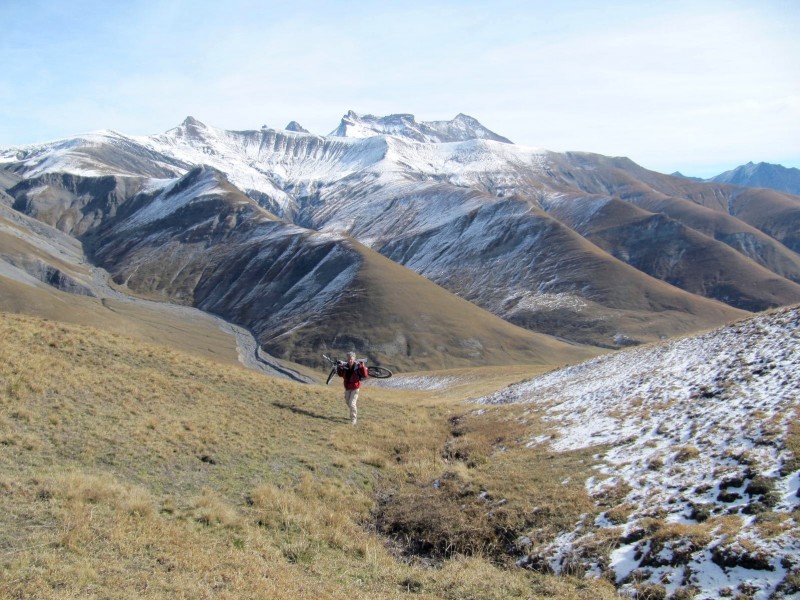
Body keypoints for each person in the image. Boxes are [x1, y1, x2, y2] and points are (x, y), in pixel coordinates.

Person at [336, 352, 368, 425]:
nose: (350, 360)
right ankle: (353, 413)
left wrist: (363, 366)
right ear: (347, 359)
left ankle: (353, 419)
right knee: (348, 402)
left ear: (354, 359)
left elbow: (365, 375)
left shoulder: (358, 366)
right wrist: (339, 367)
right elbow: (340, 374)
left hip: (355, 387)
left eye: (351, 359)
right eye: (349, 359)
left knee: (352, 403)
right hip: (347, 387)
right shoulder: (345, 366)